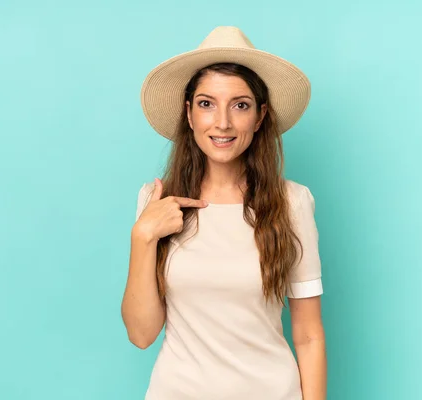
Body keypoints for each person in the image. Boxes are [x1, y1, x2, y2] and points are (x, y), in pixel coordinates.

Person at [121, 26, 326, 400]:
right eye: (206, 103)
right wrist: (143, 236)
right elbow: (141, 334)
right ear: (188, 113)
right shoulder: (156, 201)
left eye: (240, 105)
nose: (223, 123)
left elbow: (309, 335)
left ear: (260, 116)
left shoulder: (291, 203)